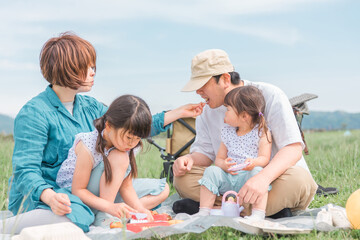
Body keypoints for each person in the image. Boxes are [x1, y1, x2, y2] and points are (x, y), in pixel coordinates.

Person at [1, 32, 204, 234]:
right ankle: (85, 213)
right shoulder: (34, 113)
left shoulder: (89, 106)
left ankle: (100, 209)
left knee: (159, 190)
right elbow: (25, 171)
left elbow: (128, 128)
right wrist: (50, 197)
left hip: (88, 190)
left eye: (93, 67)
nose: (93, 73)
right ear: (66, 70)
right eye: (86, 68)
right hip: (52, 195)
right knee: (79, 212)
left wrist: (178, 113)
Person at [172, 49, 318, 218]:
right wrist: (188, 160)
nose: (198, 91)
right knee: (182, 178)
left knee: (299, 180)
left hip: (274, 178)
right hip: (232, 179)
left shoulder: (270, 95)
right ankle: (265, 210)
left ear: (225, 79)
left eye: (202, 84)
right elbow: (205, 154)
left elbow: (293, 149)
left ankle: (215, 208)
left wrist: (263, 178)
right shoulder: (206, 111)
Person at [56, 94, 158, 224]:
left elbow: (126, 187)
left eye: (137, 139)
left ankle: (112, 209)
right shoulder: (88, 145)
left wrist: (140, 209)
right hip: (77, 196)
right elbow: (78, 190)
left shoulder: (124, 145)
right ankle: (105, 214)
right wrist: (109, 207)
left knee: (163, 189)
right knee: (120, 157)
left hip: (102, 193)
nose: (132, 144)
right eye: (128, 138)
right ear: (109, 126)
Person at [193, 86, 272, 220]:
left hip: (248, 179)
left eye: (228, 109)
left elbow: (265, 158)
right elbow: (218, 159)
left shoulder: (261, 132)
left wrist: (253, 163)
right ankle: (204, 211)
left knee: (258, 172)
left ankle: (258, 214)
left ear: (244, 116)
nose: (225, 113)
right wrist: (224, 165)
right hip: (229, 177)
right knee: (211, 171)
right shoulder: (227, 132)